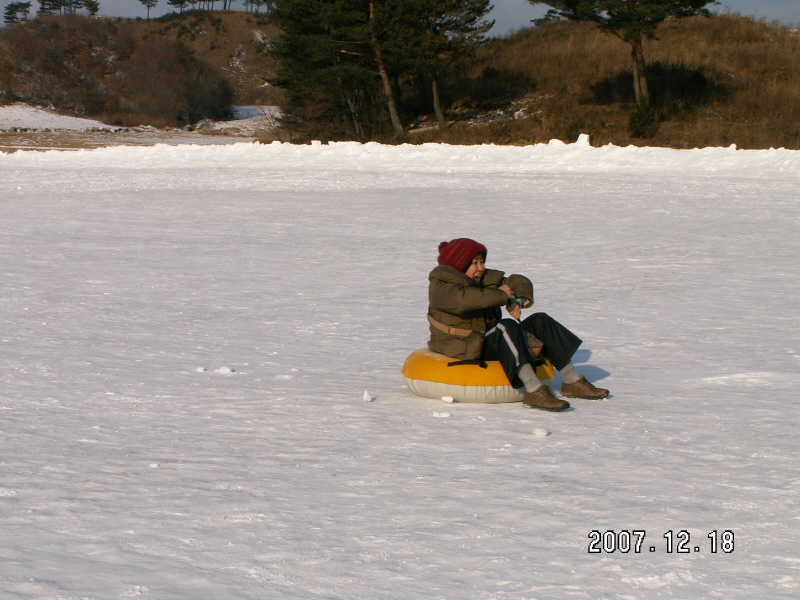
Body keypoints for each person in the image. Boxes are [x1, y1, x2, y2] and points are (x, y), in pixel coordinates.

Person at [427, 238, 609, 411]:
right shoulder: (440, 287)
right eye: (475, 263)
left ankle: (572, 381)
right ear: (460, 264)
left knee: (540, 320)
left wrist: (518, 300)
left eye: (482, 262)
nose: (481, 268)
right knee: (505, 326)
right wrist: (503, 295)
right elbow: (465, 300)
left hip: (489, 337)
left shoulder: (480, 278)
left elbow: (517, 280)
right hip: (464, 344)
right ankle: (533, 390)